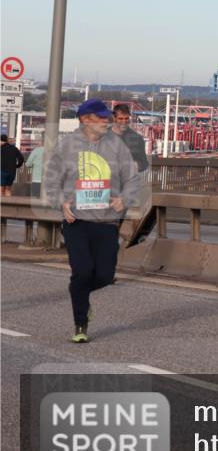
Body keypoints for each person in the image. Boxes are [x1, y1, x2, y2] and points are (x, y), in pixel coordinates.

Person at [44, 99, 143, 343]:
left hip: (107, 222)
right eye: (100, 117)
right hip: (76, 220)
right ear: (85, 119)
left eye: (106, 116)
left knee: (105, 276)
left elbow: (132, 179)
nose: (106, 121)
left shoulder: (117, 146)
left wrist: (125, 199)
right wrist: (62, 203)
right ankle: (80, 324)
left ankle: (78, 292)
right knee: (82, 271)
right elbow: (51, 183)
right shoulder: (66, 146)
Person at [111, 103, 150, 172]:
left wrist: (138, 166)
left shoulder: (137, 139)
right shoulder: (103, 136)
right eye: (120, 118)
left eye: (126, 118)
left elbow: (144, 163)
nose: (124, 122)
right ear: (114, 118)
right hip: (106, 180)